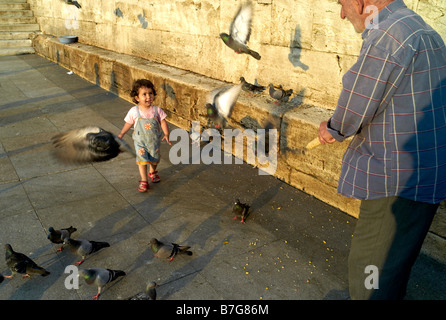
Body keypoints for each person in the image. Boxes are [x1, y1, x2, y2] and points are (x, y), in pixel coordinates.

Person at [318, 0, 446, 299]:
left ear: (360, 2)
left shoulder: (388, 34)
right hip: (426, 174)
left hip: (396, 180)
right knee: (394, 267)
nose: (341, 13)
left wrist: (333, 127)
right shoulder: (419, 27)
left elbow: (357, 98)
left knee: (370, 272)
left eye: (341, 4)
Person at [118, 79, 171, 192]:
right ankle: (144, 180)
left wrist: (166, 133)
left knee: (155, 159)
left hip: (153, 141)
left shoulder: (157, 110)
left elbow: (163, 122)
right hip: (140, 142)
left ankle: (152, 172)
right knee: (142, 160)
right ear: (137, 97)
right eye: (144, 94)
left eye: (150, 93)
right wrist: (122, 133)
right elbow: (128, 123)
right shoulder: (134, 111)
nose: (148, 97)